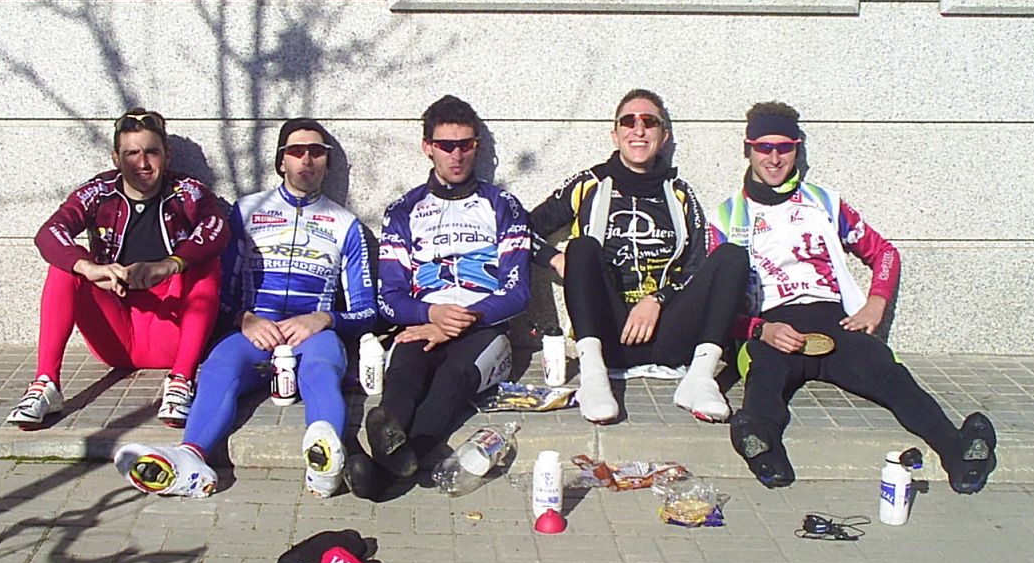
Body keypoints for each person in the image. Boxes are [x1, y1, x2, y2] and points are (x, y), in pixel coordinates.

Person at [710, 101, 996, 493]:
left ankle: (958, 451)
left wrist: (876, 303)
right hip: (773, 326)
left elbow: (885, 253)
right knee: (763, 375)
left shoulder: (824, 202)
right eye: (764, 147)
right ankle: (761, 445)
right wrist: (760, 330)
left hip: (834, 321)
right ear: (748, 149)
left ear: (797, 149)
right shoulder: (727, 216)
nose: (774, 158)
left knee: (889, 374)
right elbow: (715, 304)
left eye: (785, 147)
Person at [115, 118, 376, 498]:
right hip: (254, 333)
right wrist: (244, 318)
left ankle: (324, 463)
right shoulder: (246, 211)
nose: (307, 160)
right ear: (281, 161)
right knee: (218, 368)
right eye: (296, 151)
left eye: (317, 152)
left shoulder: (346, 224)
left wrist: (324, 318)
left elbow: (368, 311)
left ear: (328, 163)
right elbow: (215, 291)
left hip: (313, 337)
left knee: (322, 371)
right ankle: (190, 460)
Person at [346, 95, 532, 499]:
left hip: (485, 327)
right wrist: (431, 314)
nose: (457, 154)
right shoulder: (403, 210)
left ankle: (381, 477)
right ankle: (392, 452)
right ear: (427, 147)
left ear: (477, 146)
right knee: (404, 371)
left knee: (452, 379)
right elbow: (389, 297)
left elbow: (518, 292)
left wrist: (459, 321)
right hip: (425, 322)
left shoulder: (503, 205)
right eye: (446, 145)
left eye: (466, 144)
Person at [529, 89, 749, 424]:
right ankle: (593, 379)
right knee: (582, 247)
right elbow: (519, 230)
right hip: (608, 334)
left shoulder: (680, 193)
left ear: (664, 136)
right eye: (629, 121)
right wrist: (556, 260)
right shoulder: (588, 184)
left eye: (649, 122)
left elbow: (697, 266)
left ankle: (700, 380)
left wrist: (658, 299)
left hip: (668, 336)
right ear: (615, 134)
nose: (639, 129)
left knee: (732, 257)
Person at [7, 108, 228, 429]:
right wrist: (88, 268)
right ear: (116, 158)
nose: (143, 163)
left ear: (167, 155)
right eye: (131, 154)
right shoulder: (99, 191)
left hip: (171, 331)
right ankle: (45, 384)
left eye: (152, 152)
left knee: (205, 262)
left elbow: (217, 229)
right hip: (116, 332)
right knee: (65, 266)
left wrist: (169, 266)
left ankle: (181, 380)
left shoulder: (187, 191)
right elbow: (49, 233)